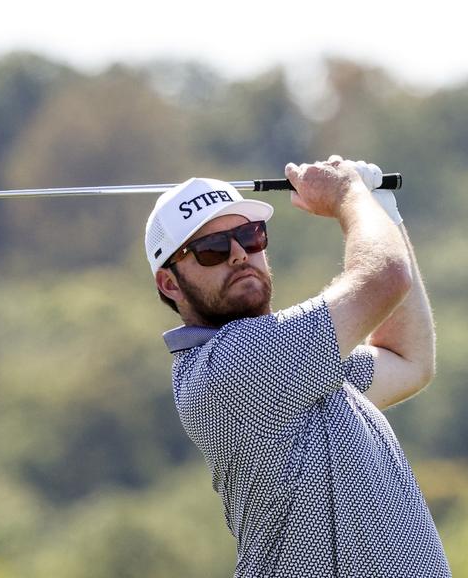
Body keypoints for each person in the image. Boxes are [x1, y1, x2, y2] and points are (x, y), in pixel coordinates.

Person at [144, 155, 451, 577]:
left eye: (249, 236)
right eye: (210, 250)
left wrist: (382, 210)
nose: (238, 255)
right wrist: (348, 196)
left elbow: (409, 360)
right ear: (170, 283)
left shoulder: (299, 365)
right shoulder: (228, 367)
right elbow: (384, 278)